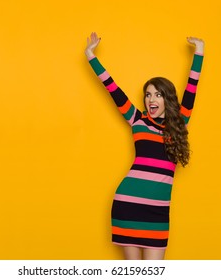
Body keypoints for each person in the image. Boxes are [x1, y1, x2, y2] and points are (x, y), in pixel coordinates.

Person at [85, 32, 204, 260]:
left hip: (158, 211)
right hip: (128, 205)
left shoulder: (179, 121)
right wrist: (91, 55)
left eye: (158, 95)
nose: (151, 100)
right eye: (148, 95)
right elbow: (113, 88)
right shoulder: (136, 119)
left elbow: (192, 86)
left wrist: (199, 50)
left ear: (166, 99)